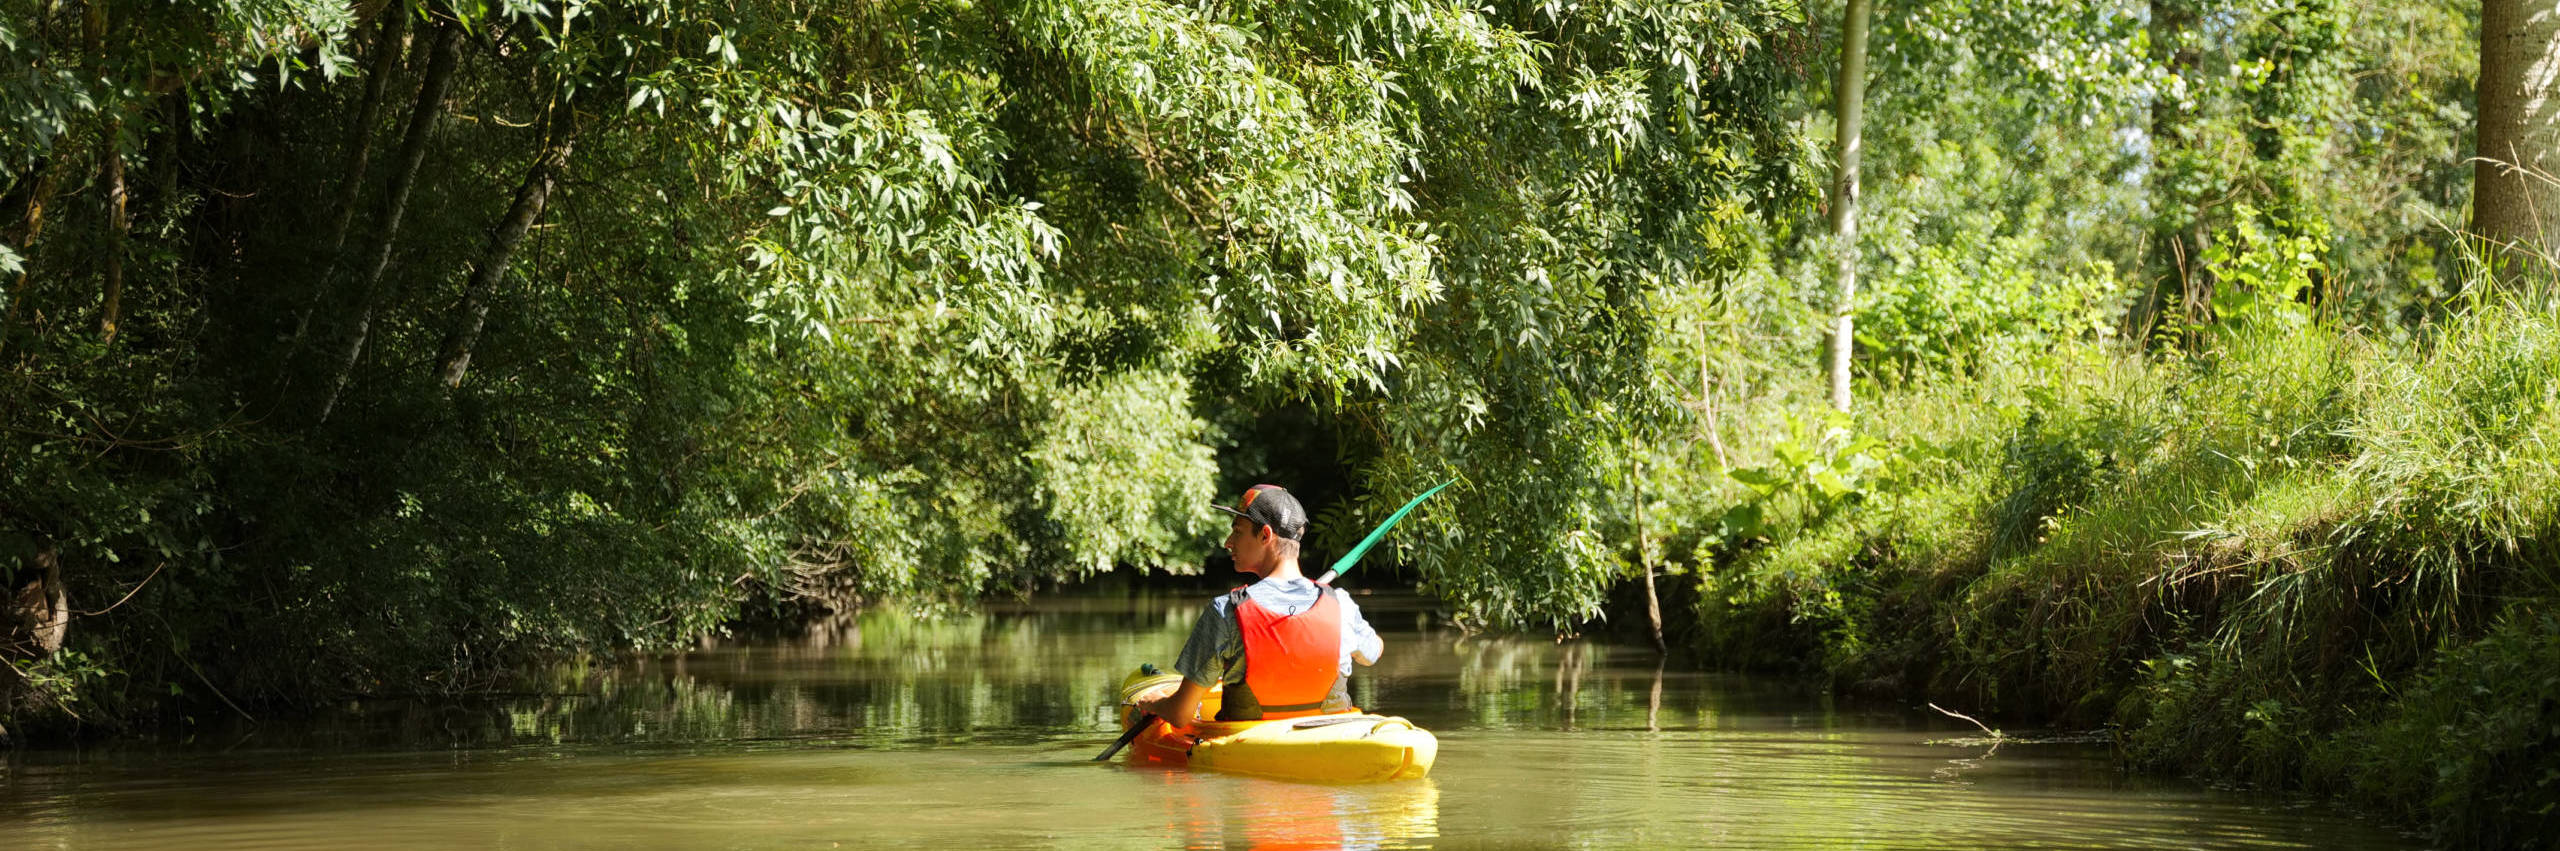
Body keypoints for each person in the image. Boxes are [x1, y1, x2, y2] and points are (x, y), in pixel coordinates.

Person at [1136, 484, 1384, 726]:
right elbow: (1373, 653)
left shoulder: (1226, 610)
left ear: (1265, 535)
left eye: (1237, 531)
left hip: (1247, 744)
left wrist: (1155, 704)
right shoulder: (1340, 604)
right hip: (1331, 737)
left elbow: (1180, 715)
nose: (1227, 542)